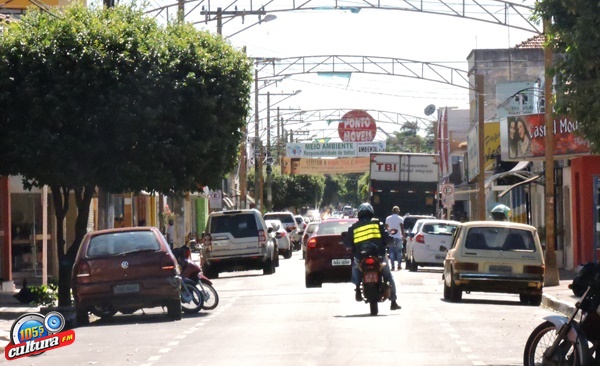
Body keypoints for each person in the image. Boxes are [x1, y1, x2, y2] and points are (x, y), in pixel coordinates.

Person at [343, 203, 401, 311]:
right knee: (388, 276)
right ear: (371, 213)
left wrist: (349, 245)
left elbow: (346, 243)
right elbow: (387, 238)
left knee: (355, 269)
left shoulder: (353, 227)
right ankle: (393, 301)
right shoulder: (378, 224)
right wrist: (391, 242)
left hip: (360, 258)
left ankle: (357, 288)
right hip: (378, 256)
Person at [385, 205, 405, 271]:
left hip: (391, 237)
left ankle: (392, 266)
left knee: (391, 252)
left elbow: (386, 228)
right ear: (398, 211)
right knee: (399, 251)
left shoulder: (388, 218)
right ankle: (399, 265)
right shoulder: (400, 218)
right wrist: (403, 236)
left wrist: (390, 231)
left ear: (392, 211)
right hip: (398, 237)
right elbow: (402, 228)